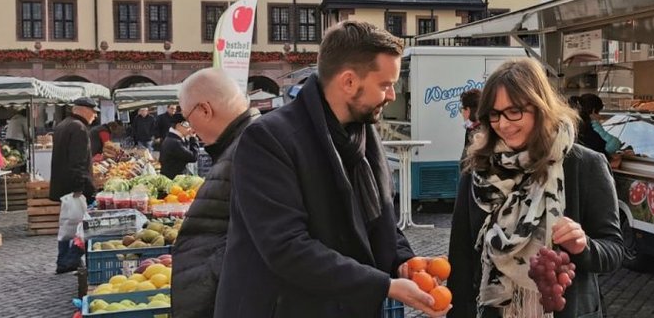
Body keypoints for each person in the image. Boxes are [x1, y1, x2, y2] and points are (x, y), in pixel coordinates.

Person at [216, 21, 445, 318]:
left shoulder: (364, 134)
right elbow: (286, 248)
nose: (391, 95)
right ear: (348, 82)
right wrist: (384, 285)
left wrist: (403, 262)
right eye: (385, 85)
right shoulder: (268, 139)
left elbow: (381, 221)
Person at [447, 58, 625, 318]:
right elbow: (461, 258)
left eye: (514, 111)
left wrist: (583, 246)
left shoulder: (584, 165)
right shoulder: (478, 169)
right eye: (495, 114)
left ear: (540, 107)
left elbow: (614, 250)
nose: (503, 124)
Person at [170, 68, 260, 318]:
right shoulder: (247, 143)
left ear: (204, 110)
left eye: (188, 119)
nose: (191, 129)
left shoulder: (251, 149)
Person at [49, 97, 99, 274]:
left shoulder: (63, 125)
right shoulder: (78, 128)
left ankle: (65, 260)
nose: (95, 115)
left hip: (65, 185)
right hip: (75, 187)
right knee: (79, 226)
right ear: (83, 110)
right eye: (93, 111)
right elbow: (78, 162)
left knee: (68, 225)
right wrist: (85, 189)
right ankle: (68, 260)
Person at [576, 93, 623, 162]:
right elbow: (613, 145)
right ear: (593, 111)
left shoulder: (576, 126)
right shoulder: (591, 130)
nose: (600, 116)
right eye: (599, 112)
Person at [159, 114, 197, 179]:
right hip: (174, 180)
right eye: (187, 125)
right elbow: (193, 157)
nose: (190, 129)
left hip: (171, 178)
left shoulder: (172, 138)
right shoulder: (175, 142)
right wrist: (193, 139)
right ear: (178, 126)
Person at [459, 89, 482, 161]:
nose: (462, 113)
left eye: (462, 108)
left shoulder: (477, 134)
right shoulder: (471, 129)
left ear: (468, 110)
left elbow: (466, 160)